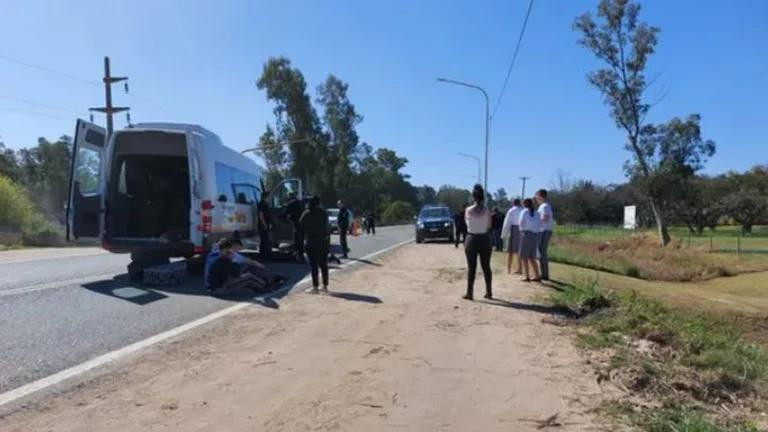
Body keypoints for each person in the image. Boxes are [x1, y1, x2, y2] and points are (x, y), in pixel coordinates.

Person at [463, 184, 493, 301]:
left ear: (473, 197)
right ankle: (489, 291)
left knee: (472, 267)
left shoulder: (468, 210)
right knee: (486, 266)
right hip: (484, 238)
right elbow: (489, 225)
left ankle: (470, 292)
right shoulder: (487, 211)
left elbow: (467, 224)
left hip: (471, 239)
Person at [300, 196, 330, 294]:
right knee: (324, 265)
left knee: (313, 266)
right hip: (323, 241)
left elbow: (300, 226)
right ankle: (325, 286)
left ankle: (315, 287)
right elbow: (327, 226)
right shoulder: (324, 213)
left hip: (311, 241)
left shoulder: (306, 213)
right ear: (319, 203)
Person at [518, 198, 541, 282]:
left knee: (524, 256)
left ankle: (526, 276)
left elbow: (521, 223)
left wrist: (521, 230)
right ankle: (537, 275)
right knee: (532, 257)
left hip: (526, 234)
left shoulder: (524, 212)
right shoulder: (537, 213)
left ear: (524, 204)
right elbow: (539, 224)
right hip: (535, 235)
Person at [535, 189, 554, 281]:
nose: (536, 198)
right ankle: (543, 273)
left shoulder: (545, 206)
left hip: (544, 231)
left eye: (537, 196)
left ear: (540, 196)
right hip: (544, 230)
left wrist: (537, 222)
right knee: (541, 252)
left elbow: (545, 218)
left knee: (542, 252)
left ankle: (544, 274)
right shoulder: (544, 206)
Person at [501, 199, 523, 274]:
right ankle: (520, 268)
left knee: (510, 251)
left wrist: (504, 233)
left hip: (513, 229)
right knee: (519, 251)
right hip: (521, 229)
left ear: (513, 203)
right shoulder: (523, 210)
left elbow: (507, 222)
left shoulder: (511, 211)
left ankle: (509, 269)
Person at [286, 193, 305, 262]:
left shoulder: (291, 205)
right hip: (302, 225)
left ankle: (298, 256)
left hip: (295, 224)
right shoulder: (301, 203)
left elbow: (286, 214)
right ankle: (301, 255)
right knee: (301, 240)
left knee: (297, 241)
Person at [257, 192, 272, 259]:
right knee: (264, 241)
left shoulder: (266, 204)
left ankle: (265, 255)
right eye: (269, 196)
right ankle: (263, 256)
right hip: (263, 225)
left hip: (266, 225)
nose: (269, 198)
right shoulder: (262, 204)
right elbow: (261, 216)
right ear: (266, 197)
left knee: (266, 240)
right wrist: (265, 225)